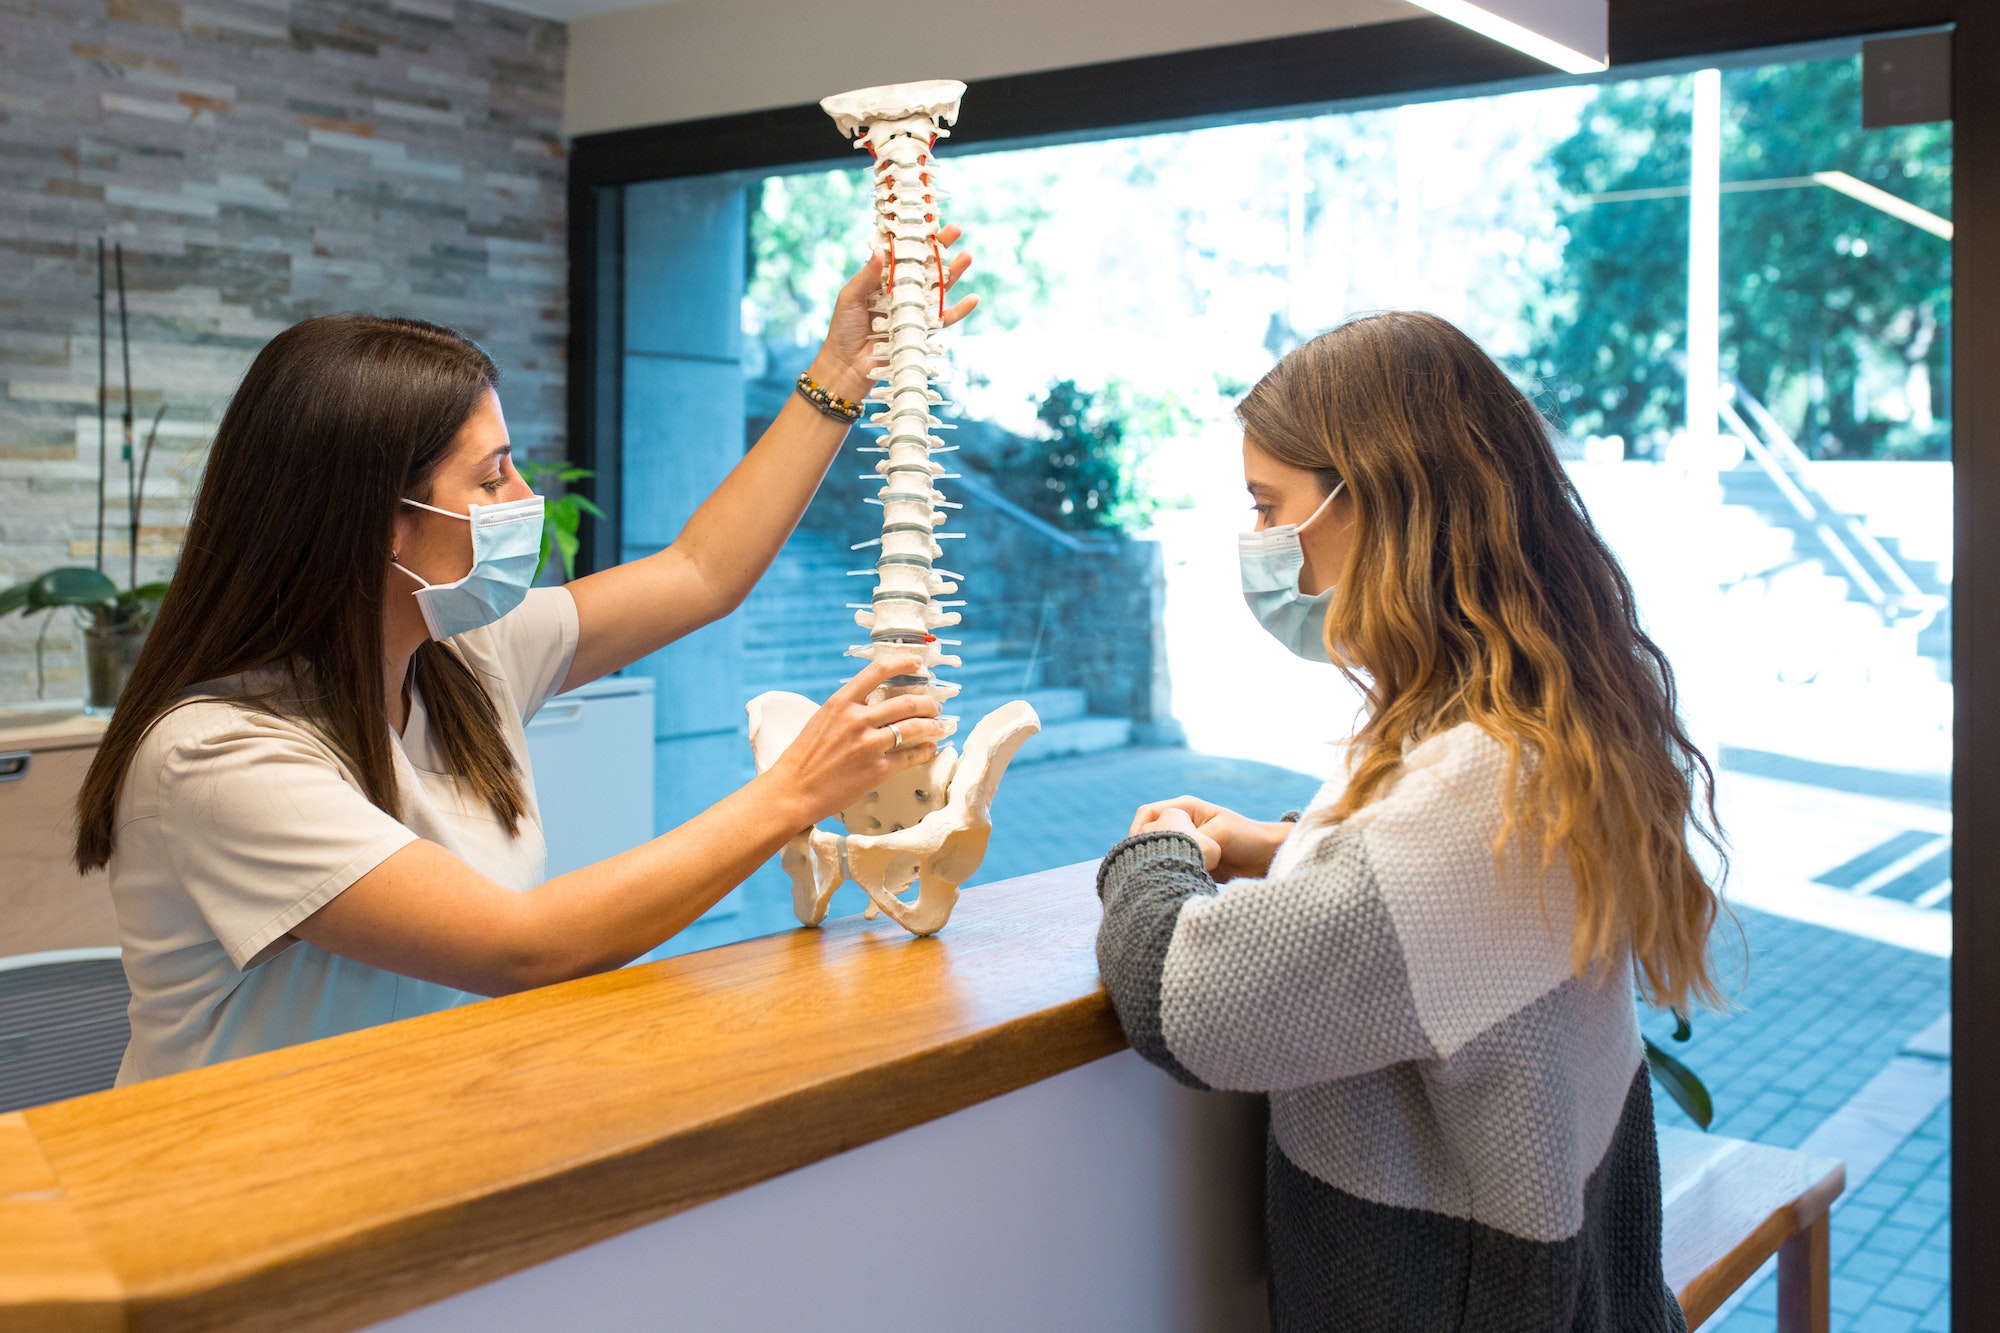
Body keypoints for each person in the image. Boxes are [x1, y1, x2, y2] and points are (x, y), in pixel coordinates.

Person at [77, 237, 975, 1084]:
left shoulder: (457, 658)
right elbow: (522, 945)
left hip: (416, 1137)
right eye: (491, 475)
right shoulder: (215, 756)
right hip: (237, 1173)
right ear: (381, 522)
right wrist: (793, 793)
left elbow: (702, 572)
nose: (524, 496)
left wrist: (842, 372)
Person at [1094, 312, 1722, 1330]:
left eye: (1268, 506)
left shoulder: (1482, 785)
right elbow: (1444, 915)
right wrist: (1285, 845)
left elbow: (1186, 1003)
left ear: (1375, 499)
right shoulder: (1532, 723)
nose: (1259, 542)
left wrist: (1152, 854)